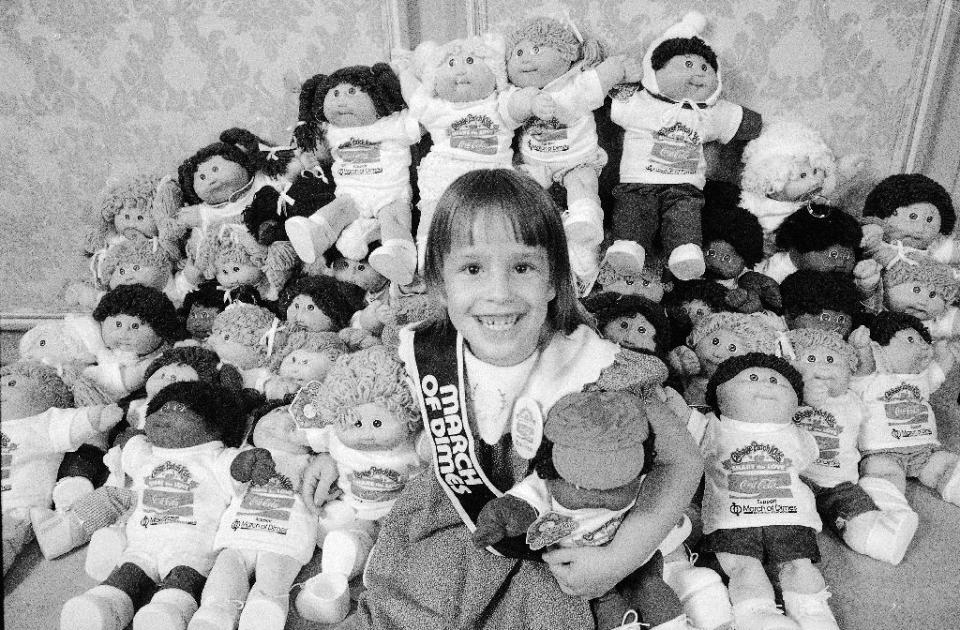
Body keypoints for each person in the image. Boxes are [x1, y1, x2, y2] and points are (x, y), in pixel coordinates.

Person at [305, 168, 703, 630]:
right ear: (439, 282)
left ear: (554, 280)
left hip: (554, 548)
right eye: (472, 269)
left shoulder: (598, 365)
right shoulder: (422, 354)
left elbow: (682, 462)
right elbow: (377, 414)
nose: (499, 293)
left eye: (522, 267)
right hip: (441, 540)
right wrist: (335, 454)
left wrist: (619, 558)